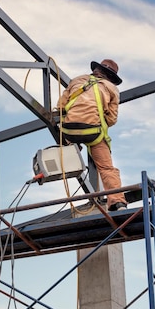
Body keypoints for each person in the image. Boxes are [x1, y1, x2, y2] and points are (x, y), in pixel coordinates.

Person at [57, 59, 127, 211]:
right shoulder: (111, 88)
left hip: (69, 131)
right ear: (110, 76)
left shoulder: (76, 81)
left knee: (68, 148)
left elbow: (60, 106)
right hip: (92, 132)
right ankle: (117, 201)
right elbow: (111, 119)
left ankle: (72, 154)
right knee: (107, 168)